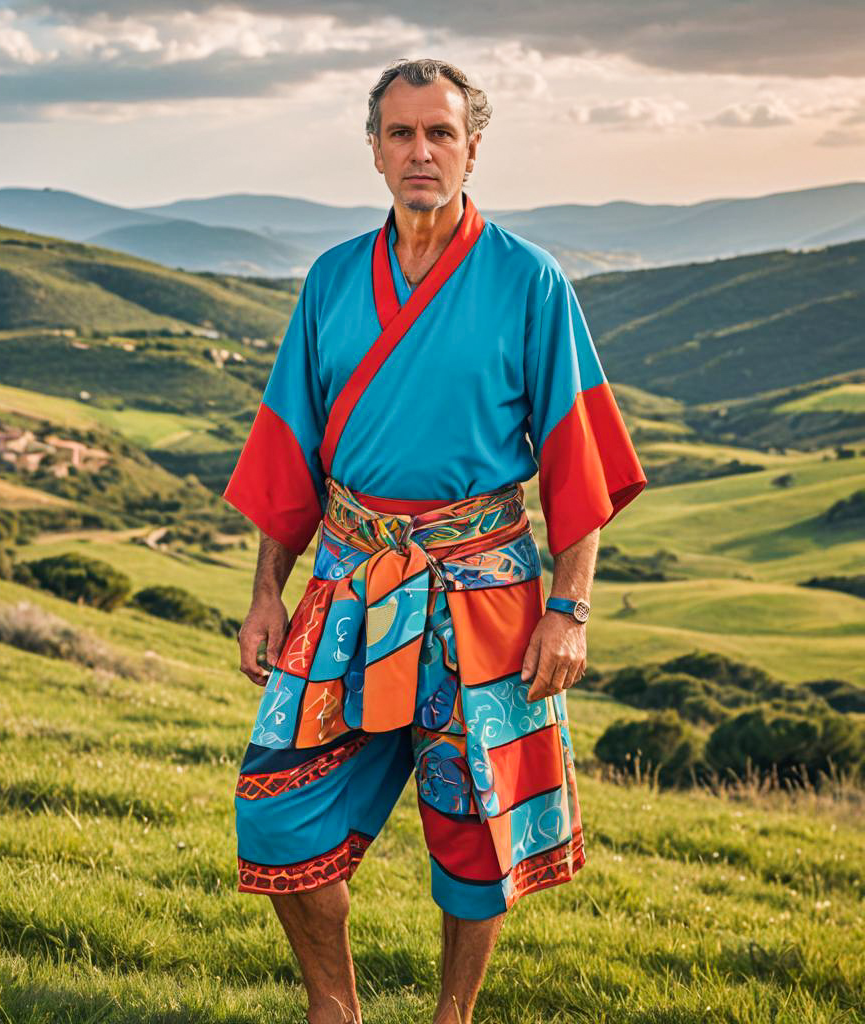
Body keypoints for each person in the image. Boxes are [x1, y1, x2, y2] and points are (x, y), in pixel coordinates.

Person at [221, 57, 647, 1024]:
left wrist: (570, 612)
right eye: (402, 133)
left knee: (476, 828)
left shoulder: (528, 280)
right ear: (374, 151)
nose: (422, 151)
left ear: (472, 149)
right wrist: (263, 593)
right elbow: (290, 451)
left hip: (485, 591)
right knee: (277, 809)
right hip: (348, 582)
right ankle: (337, 1009)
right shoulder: (333, 280)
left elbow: (578, 461)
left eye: (440, 133)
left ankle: (452, 1017)